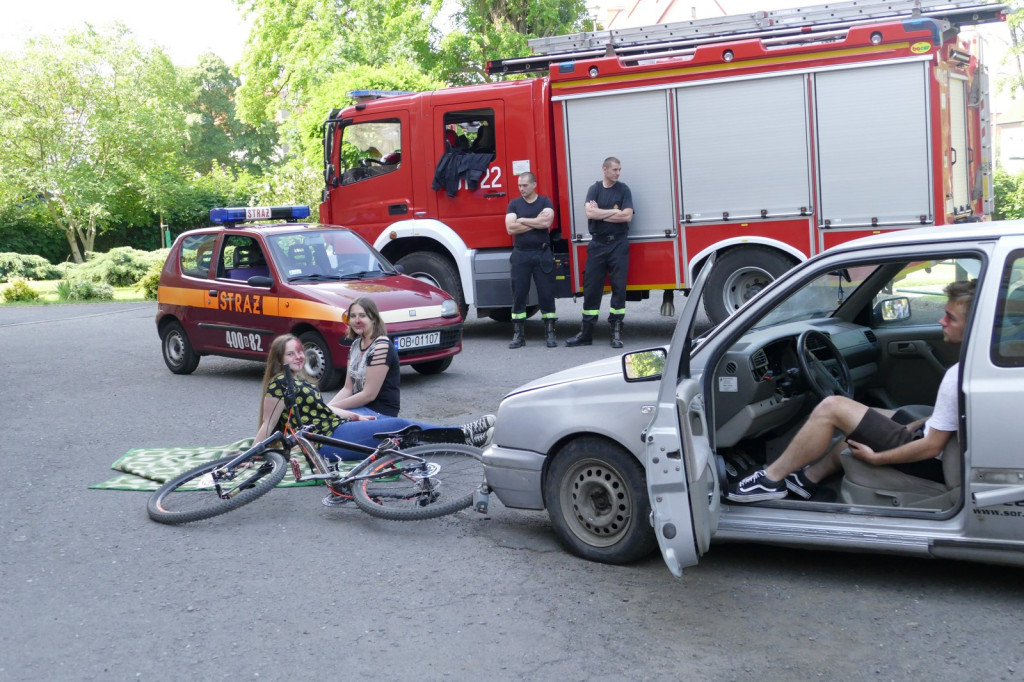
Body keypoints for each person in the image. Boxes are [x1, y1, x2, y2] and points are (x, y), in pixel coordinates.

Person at [727, 280, 976, 502]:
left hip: (931, 458)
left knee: (832, 408)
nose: (941, 321)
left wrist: (876, 458)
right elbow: (947, 420)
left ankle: (770, 479)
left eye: (951, 317)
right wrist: (914, 425)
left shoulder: (958, 374)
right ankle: (807, 479)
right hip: (934, 441)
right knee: (860, 419)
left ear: (974, 322)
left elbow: (932, 448)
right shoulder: (977, 362)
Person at [255, 334, 495, 506]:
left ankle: (454, 437)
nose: (298, 356)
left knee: (377, 417)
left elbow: (321, 411)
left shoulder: (296, 380)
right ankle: (463, 435)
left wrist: (355, 415)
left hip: (334, 428)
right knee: (397, 427)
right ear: (279, 358)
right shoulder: (280, 384)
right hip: (327, 441)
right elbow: (268, 423)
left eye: (299, 351)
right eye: (291, 353)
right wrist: (255, 454)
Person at [565, 157, 634, 348]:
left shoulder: (624, 189)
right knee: (592, 288)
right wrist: (613, 212)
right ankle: (586, 334)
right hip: (597, 245)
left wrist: (601, 213)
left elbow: (627, 216)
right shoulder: (594, 189)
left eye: (619, 169)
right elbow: (590, 214)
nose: (618, 173)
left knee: (619, 289)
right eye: (614, 170)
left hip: (618, 244)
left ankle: (616, 333)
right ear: (604, 170)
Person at [505, 172, 557, 348]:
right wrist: (535, 221)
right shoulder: (514, 204)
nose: (521, 189)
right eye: (519, 185)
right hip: (521, 255)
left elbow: (545, 224)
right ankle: (518, 335)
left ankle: (550, 334)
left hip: (542, 254)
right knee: (519, 294)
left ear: (534, 184)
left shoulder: (545, 202)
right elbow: (511, 228)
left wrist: (524, 220)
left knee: (546, 294)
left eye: (525, 185)